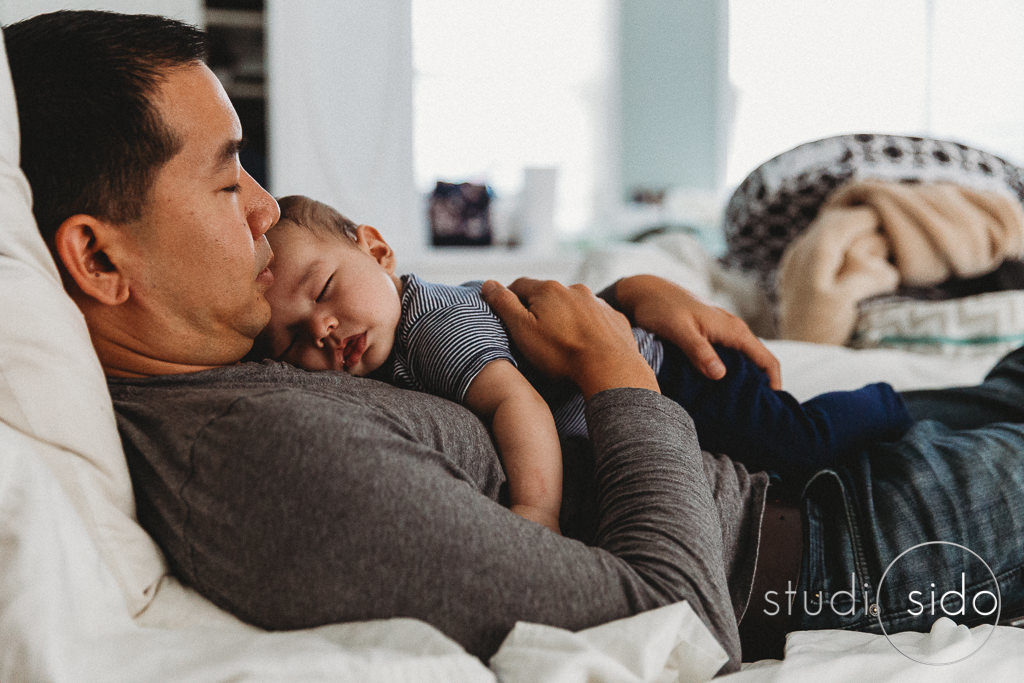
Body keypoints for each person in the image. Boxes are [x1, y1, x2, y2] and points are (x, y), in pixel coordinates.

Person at [5, 8, 1023, 671]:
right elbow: (668, 620)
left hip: (810, 471)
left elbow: (467, 340)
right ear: (98, 262)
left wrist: (622, 306)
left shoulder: (253, 360)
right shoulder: (254, 460)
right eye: (229, 181)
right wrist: (624, 378)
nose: (268, 209)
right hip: (837, 541)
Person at [256, 194, 913, 532]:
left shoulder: (432, 328)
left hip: (674, 377)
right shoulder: (386, 351)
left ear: (377, 250)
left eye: (322, 291)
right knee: (775, 468)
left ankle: (888, 400)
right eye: (289, 340)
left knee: (794, 441)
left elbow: (519, 404)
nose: (321, 327)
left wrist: (536, 507)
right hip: (641, 391)